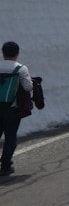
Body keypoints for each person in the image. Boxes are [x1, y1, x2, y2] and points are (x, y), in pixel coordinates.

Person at [0, 41, 34, 177]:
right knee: (10, 137)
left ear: (3, 53)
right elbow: (28, 87)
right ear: (17, 53)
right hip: (11, 109)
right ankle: (6, 166)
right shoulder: (20, 68)